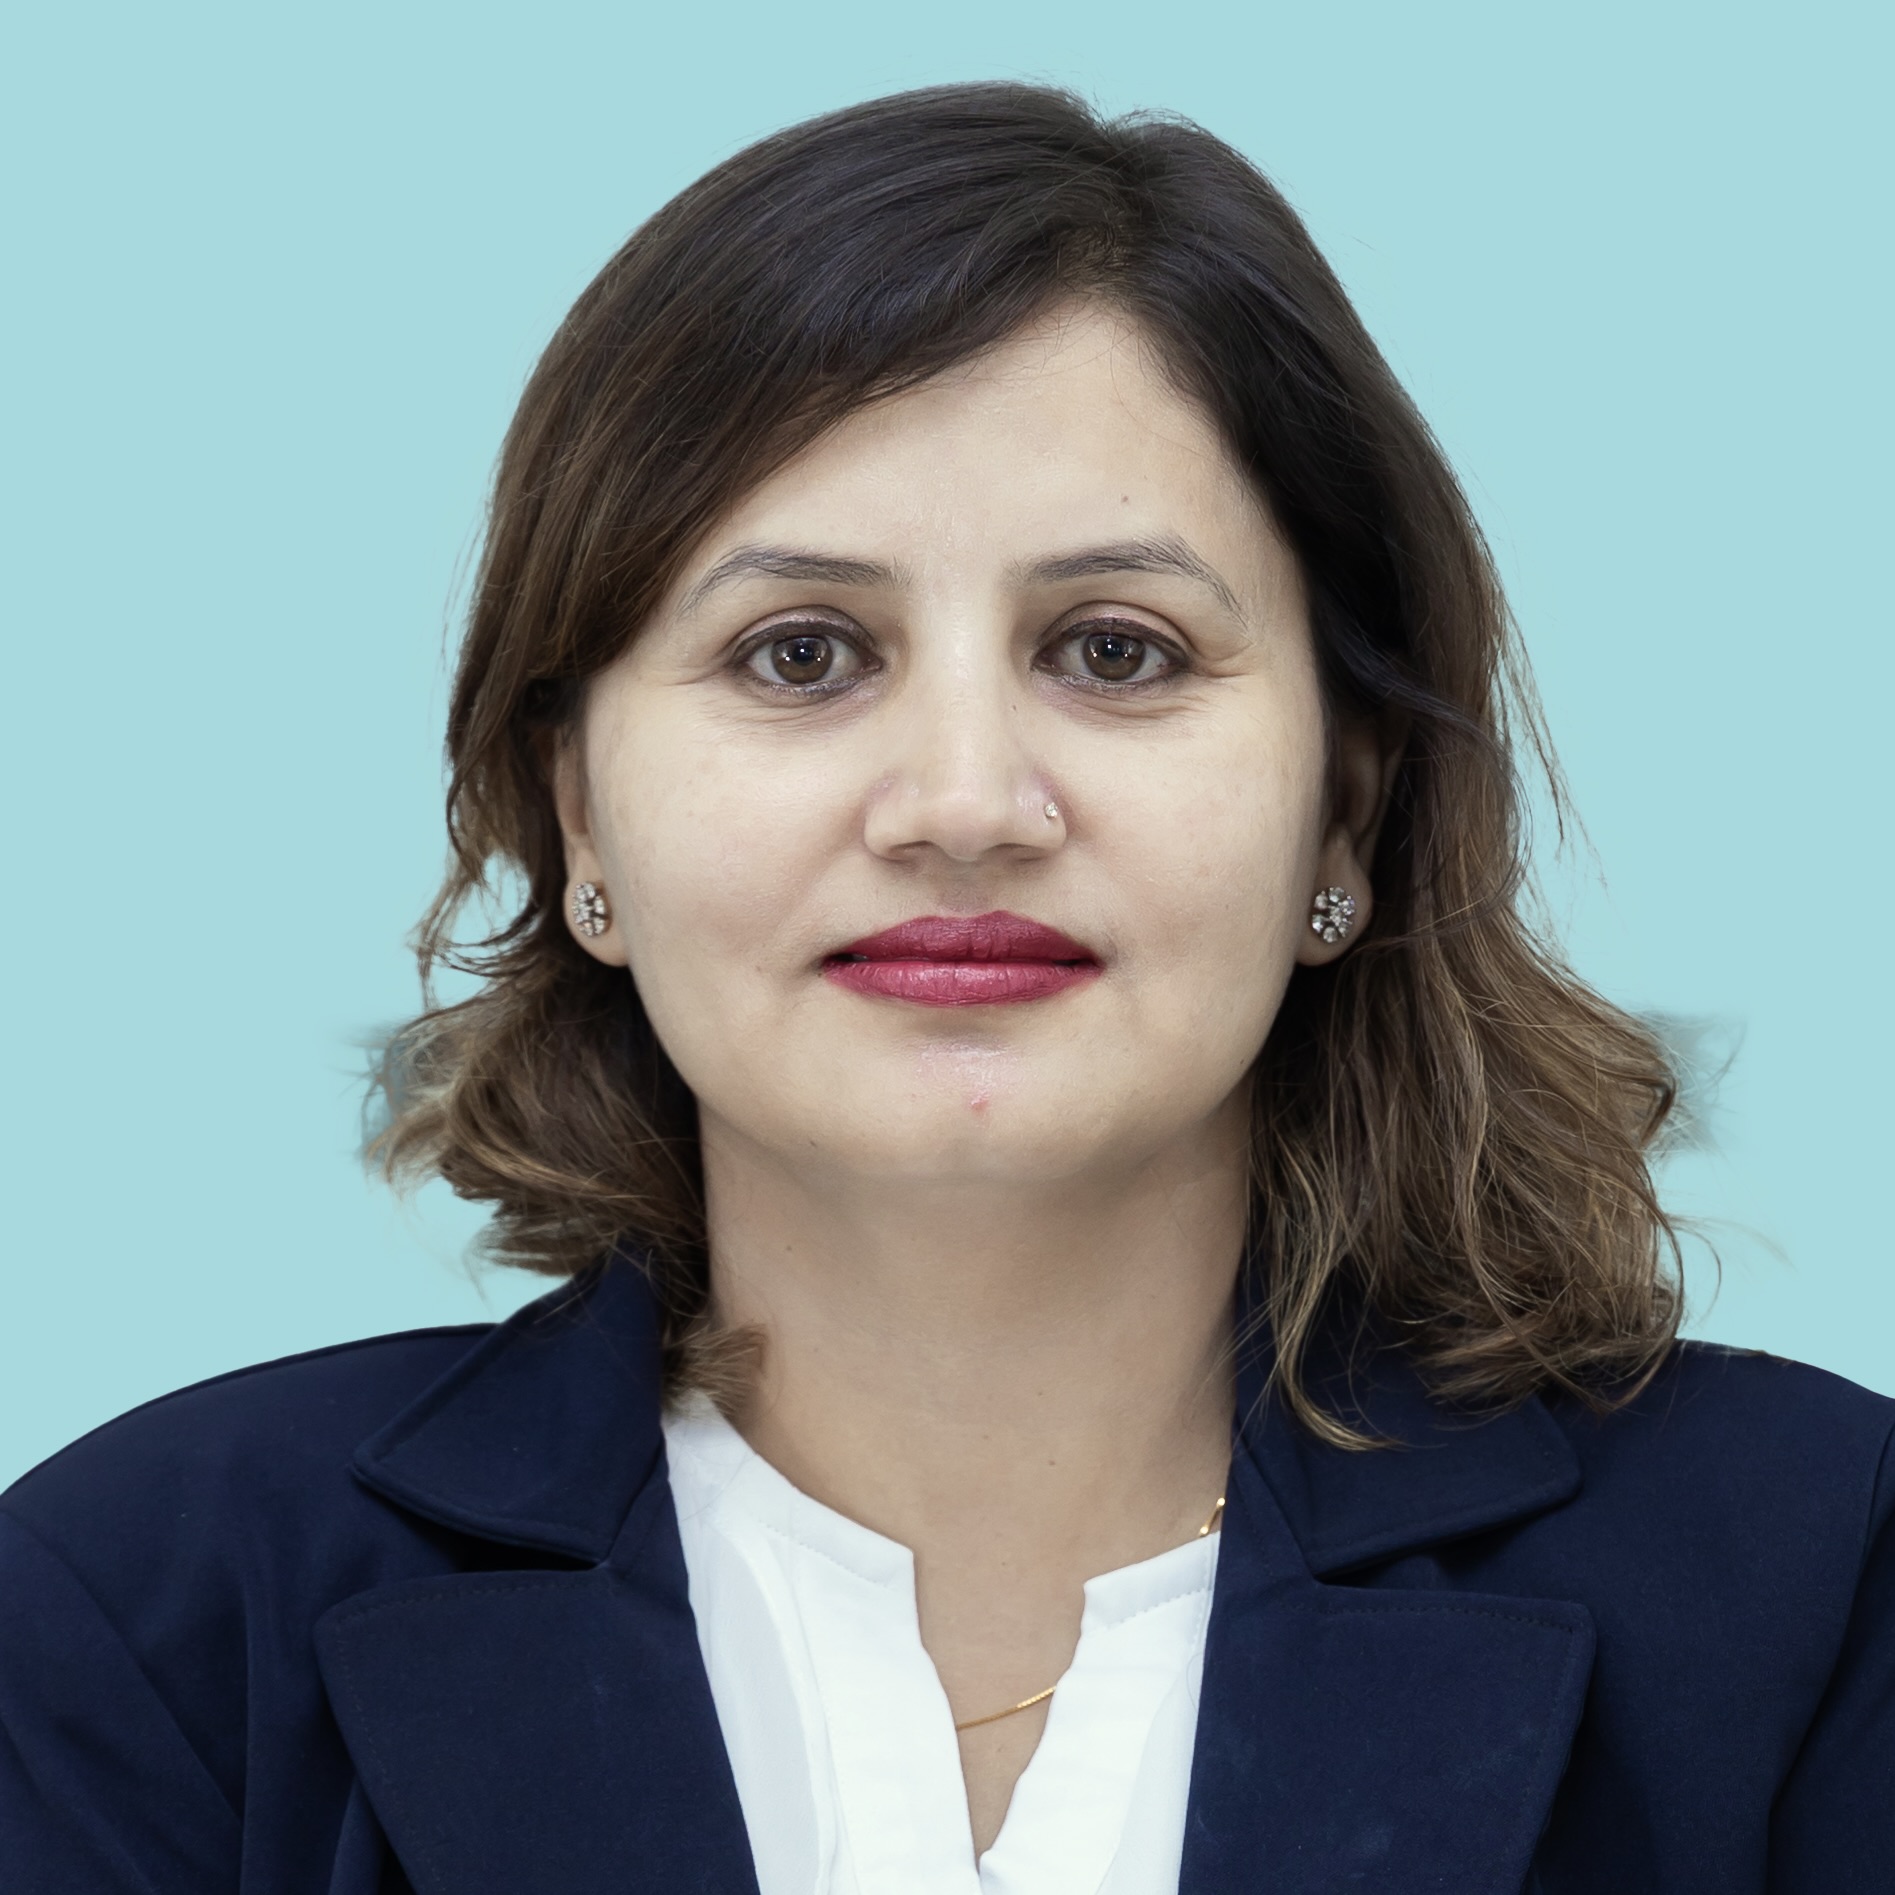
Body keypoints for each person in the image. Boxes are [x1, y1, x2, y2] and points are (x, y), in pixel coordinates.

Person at [2, 82, 1889, 1895]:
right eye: (802, 653)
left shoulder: (1823, 1588)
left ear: (1348, 803)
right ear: (579, 812)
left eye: (1118, 651)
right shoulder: (143, 1619)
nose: (968, 804)